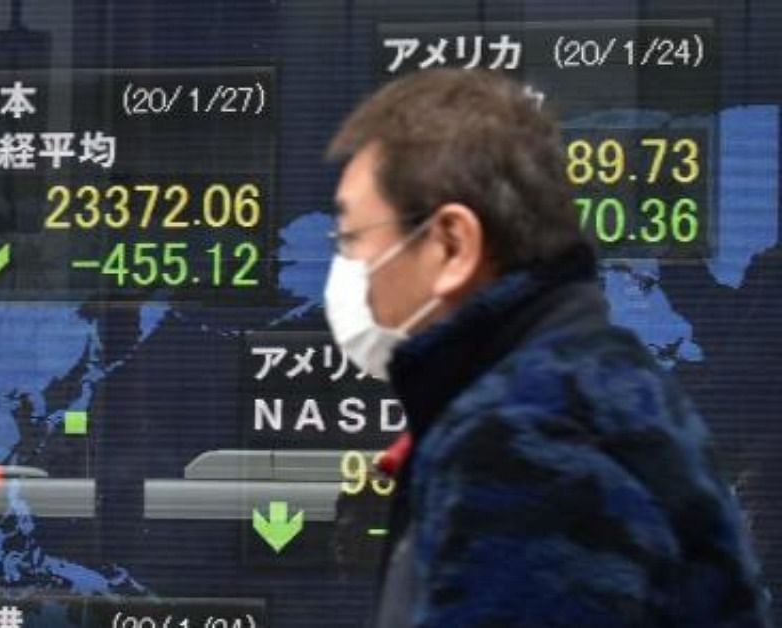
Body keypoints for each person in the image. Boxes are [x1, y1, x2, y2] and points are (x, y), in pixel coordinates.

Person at [322, 68, 772, 627]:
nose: (343, 269)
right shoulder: (595, 388)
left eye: (353, 237)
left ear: (452, 245)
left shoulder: (521, 442)